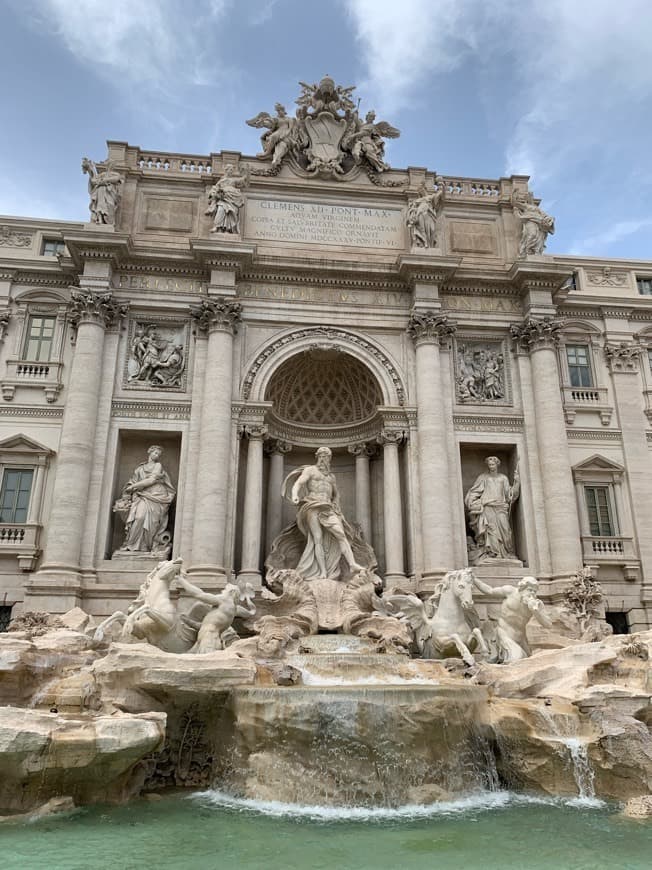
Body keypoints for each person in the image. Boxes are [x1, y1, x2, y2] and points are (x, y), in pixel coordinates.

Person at [283, 447, 364, 581]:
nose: (322, 459)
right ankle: (322, 572)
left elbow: (336, 494)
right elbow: (299, 482)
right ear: (317, 457)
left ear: (329, 459)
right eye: (320, 456)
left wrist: (337, 507)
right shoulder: (310, 470)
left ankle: (352, 564)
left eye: (325, 456)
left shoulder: (331, 477)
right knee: (317, 539)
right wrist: (294, 494)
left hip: (328, 508)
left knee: (341, 534)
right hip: (312, 505)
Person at [472, 575, 552, 662]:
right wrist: (474, 579)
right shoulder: (510, 591)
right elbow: (489, 591)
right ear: (522, 589)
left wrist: (536, 611)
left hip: (521, 638)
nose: (532, 593)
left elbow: (548, 624)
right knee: (517, 658)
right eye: (529, 590)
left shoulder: (537, 604)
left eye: (534, 591)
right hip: (504, 633)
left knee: (528, 661)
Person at [115, 445, 176, 555]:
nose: (156, 455)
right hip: (141, 496)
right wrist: (129, 488)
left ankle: (145, 547)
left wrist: (133, 487)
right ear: (149, 452)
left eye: (158, 454)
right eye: (155, 453)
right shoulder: (140, 469)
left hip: (156, 496)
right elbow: (132, 481)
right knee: (139, 517)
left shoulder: (158, 465)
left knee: (151, 523)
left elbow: (151, 480)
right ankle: (131, 545)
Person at [464, 456, 520, 563]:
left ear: (497, 464)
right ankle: (494, 554)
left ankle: (507, 553)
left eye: (493, 464)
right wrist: (472, 502)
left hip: (501, 507)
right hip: (488, 507)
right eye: (489, 465)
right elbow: (474, 492)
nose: (491, 466)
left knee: (506, 530)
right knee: (491, 530)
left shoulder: (503, 478)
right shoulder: (483, 477)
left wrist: (517, 482)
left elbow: (510, 496)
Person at [205, 164, 247, 234]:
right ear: (226, 170)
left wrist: (246, 172)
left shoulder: (234, 180)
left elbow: (243, 180)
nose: (231, 172)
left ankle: (228, 229)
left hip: (233, 199)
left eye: (232, 170)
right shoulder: (221, 181)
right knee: (221, 210)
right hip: (223, 198)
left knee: (231, 212)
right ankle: (217, 227)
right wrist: (216, 194)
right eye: (230, 170)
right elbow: (214, 189)